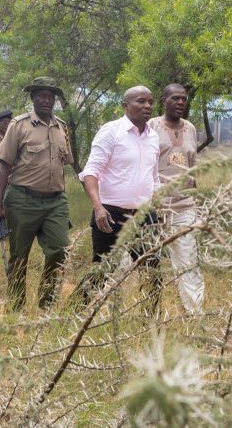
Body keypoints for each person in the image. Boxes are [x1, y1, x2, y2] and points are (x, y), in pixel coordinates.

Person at [71, 85, 162, 311]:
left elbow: (154, 176)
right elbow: (91, 172)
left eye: (150, 102)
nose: (147, 106)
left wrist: (159, 209)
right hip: (111, 214)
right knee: (102, 270)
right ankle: (71, 314)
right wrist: (98, 207)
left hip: (143, 215)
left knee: (153, 270)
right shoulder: (111, 131)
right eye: (141, 101)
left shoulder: (153, 137)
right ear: (125, 105)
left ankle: (151, 323)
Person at [0, 77, 74, 311]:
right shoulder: (19, 125)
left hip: (56, 201)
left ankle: (47, 305)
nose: (47, 100)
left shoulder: (62, 127)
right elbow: (4, 166)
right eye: (41, 96)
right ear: (33, 98)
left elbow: (65, 164)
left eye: (50, 96)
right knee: (19, 257)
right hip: (22, 199)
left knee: (60, 250)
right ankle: (15, 309)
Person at [148, 84, 205, 314]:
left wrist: (196, 198)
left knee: (188, 260)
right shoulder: (152, 126)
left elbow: (193, 167)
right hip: (155, 206)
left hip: (184, 206)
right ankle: (149, 313)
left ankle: (194, 313)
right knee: (148, 262)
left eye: (184, 99)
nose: (181, 102)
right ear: (164, 100)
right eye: (175, 98)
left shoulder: (190, 128)